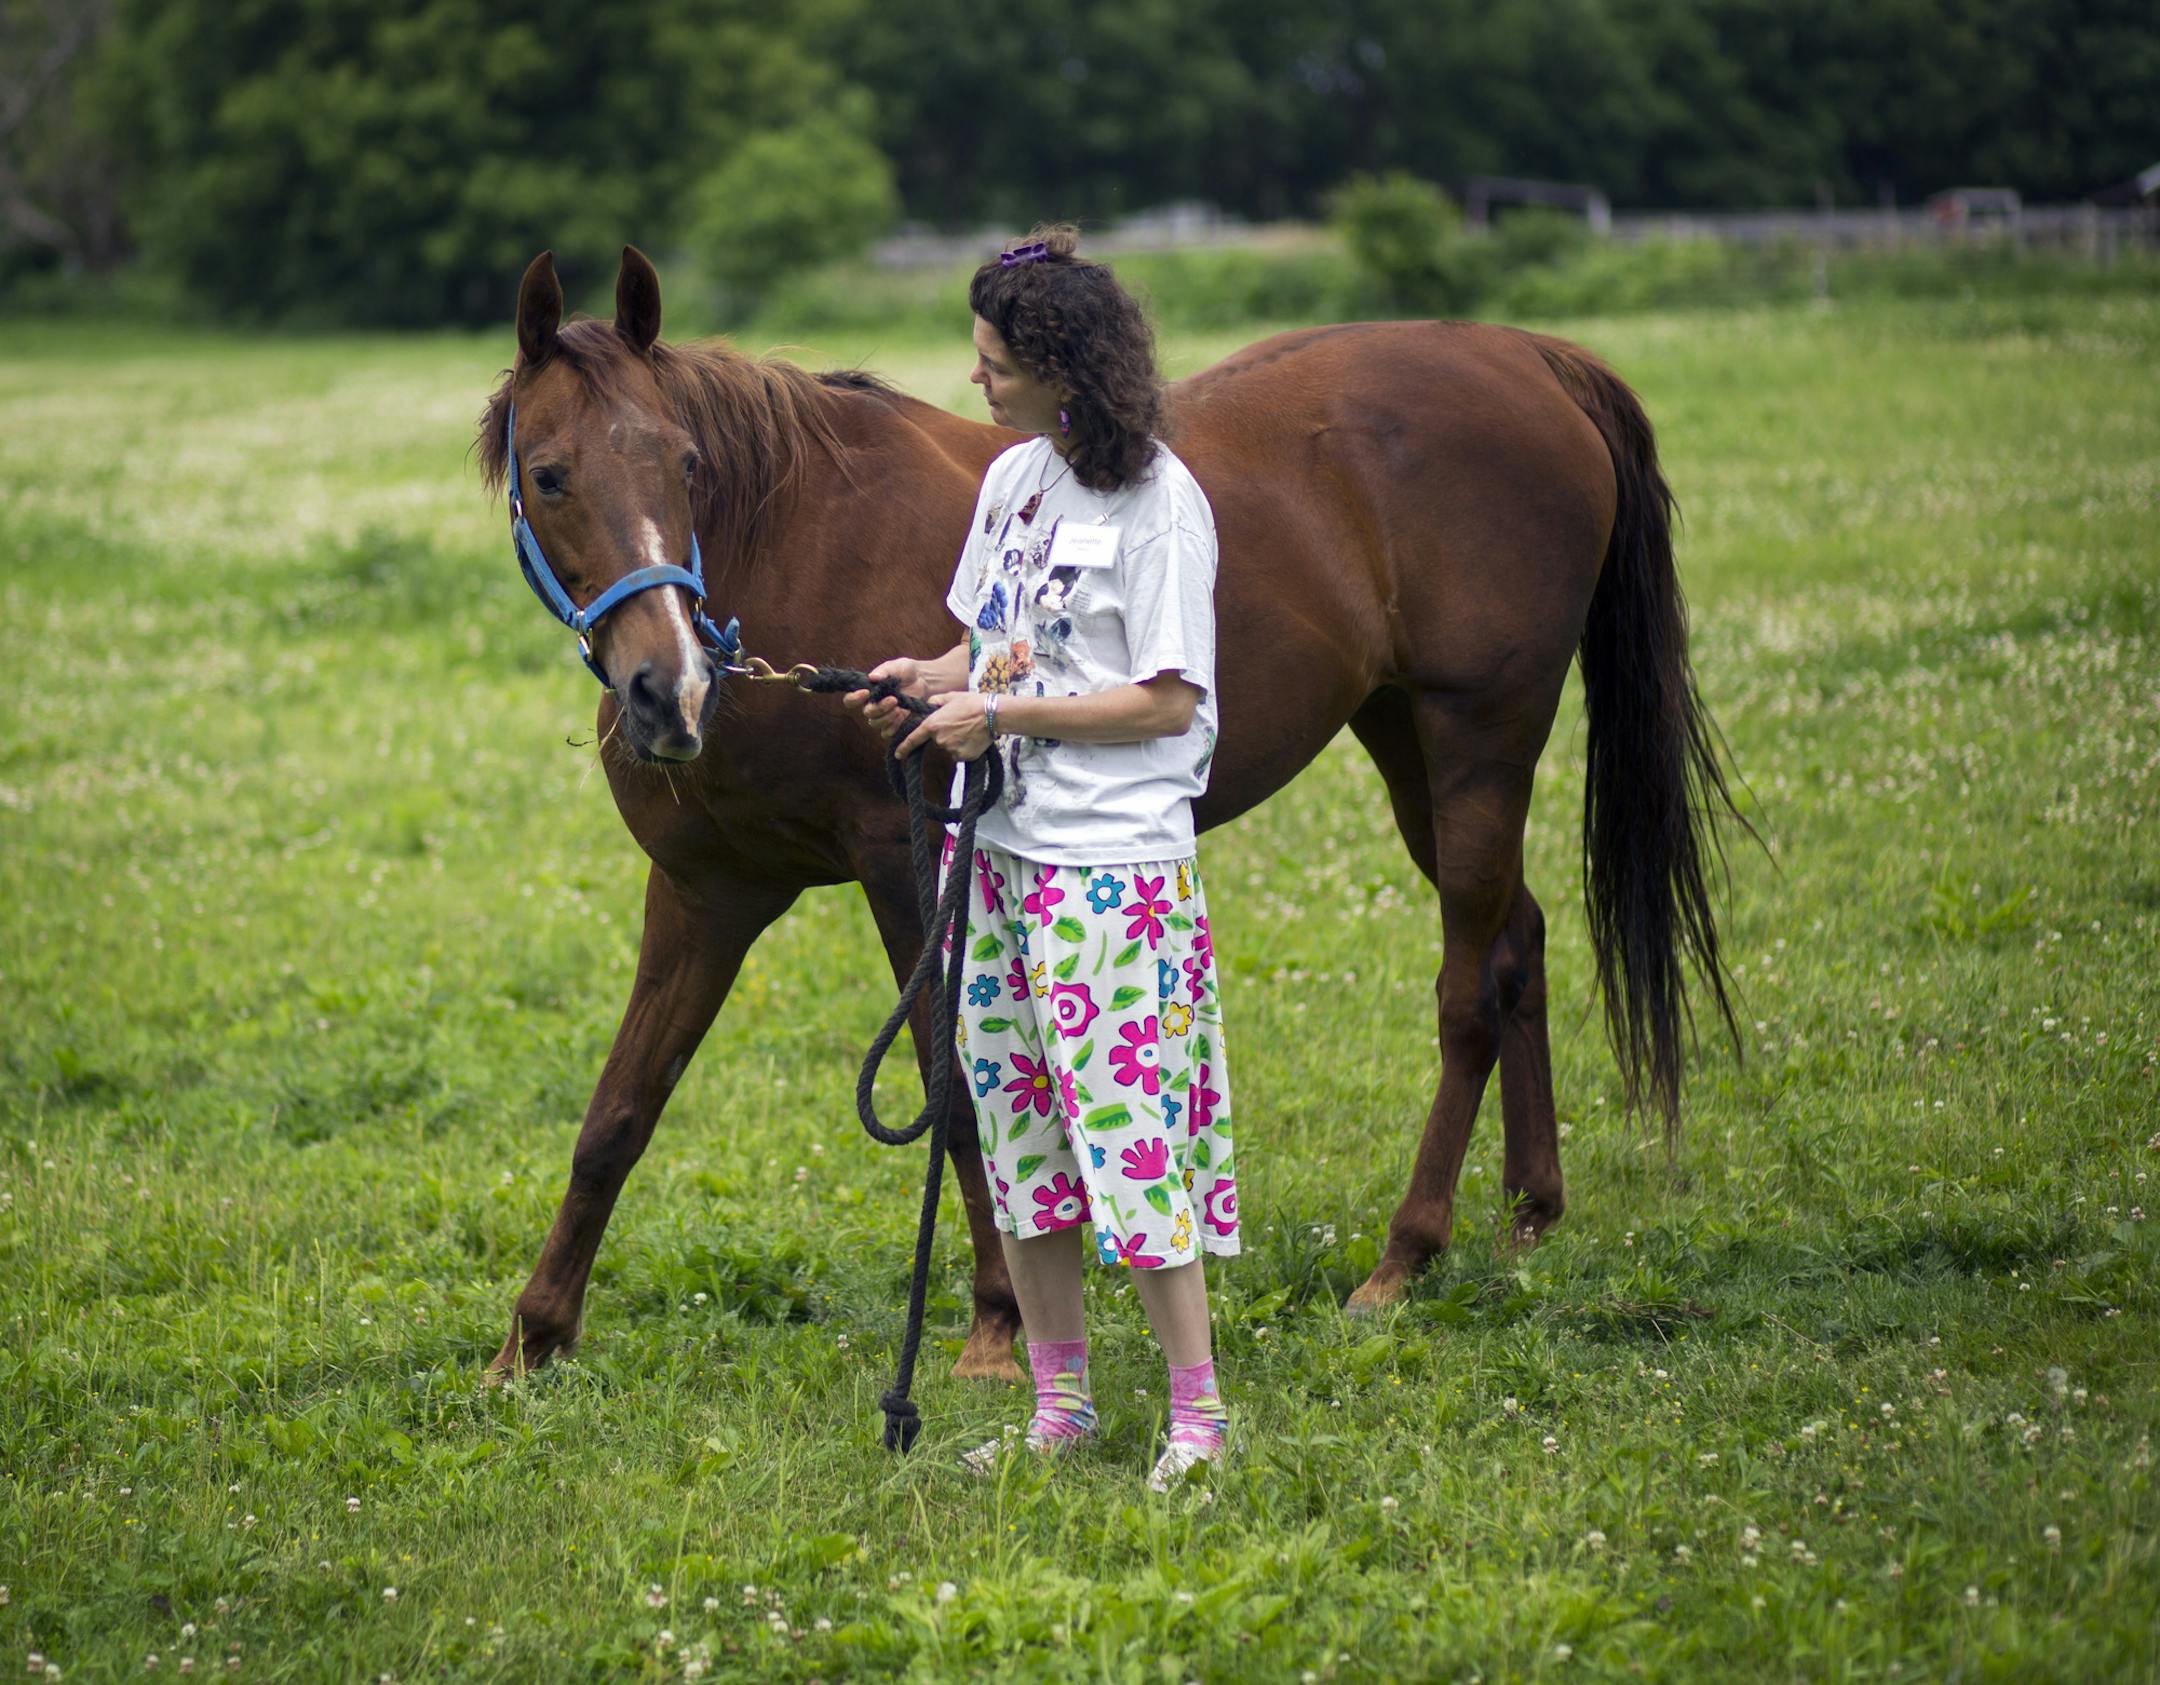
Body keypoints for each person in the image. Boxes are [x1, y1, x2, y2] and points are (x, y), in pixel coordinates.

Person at [847, 223, 1238, 1490]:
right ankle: (1060, 1405)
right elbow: (1001, 644)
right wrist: (932, 677)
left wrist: (999, 715)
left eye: (994, 360)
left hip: (1109, 870)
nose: (976, 380)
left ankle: (1199, 1418)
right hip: (1001, 850)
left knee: (1124, 1140)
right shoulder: (1015, 480)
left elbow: (1168, 699)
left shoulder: (1160, 504)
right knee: (1020, 1141)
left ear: (1063, 366)